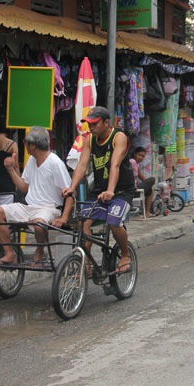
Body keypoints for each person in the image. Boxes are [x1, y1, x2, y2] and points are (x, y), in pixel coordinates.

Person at [64, 106, 134, 275]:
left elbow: (115, 164)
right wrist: (71, 188)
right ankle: (85, 264)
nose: (91, 127)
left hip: (121, 192)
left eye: (94, 123)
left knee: (113, 221)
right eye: (89, 124)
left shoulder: (119, 137)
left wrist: (110, 190)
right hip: (98, 191)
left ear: (106, 122)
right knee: (83, 223)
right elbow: (82, 165)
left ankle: (125, 254)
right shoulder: (89, 140)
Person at [0, 126, 73, 267]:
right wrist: (11, 170)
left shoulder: (55, 162)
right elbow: (24, 188)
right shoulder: (32, 161)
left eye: (25, 142)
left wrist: (64, 218)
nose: (25, 145)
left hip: (50, 208)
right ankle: (9, 253)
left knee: (39, 224)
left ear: (32, 146)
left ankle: (39, 251)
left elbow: (70, 193)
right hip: (29, 206)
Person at [129, 146, 157, 218]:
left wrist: (148, 185)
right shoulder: (132, 162)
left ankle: (147, 213)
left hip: (134, 188)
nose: (141, 158)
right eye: (139, 155)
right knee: (152, 179)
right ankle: (147, 212)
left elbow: (141, 177)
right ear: (135, 154)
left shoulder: (136, 164)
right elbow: (129, 176)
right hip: (131, 189)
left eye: (143, 156)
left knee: (151, 190)